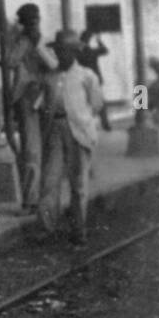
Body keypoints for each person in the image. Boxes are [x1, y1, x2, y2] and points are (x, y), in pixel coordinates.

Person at [37, 31, 105, 245]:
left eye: (66, 50)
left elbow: (96, 105)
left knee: (78, 184)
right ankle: (48, 229)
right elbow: (42, 104)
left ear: (75, 51)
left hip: (79, 131)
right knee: (50, 180)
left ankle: (79, 230)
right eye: (58, 51)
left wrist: (81, 120)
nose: (61, 54)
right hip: (55, 129)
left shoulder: (87, 76)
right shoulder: (50, 76)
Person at [5, 3, 57, 213]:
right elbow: (10, 61)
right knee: (31, 151)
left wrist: (38, 46)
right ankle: (30, 200)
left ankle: (43, 198)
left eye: (35, 21)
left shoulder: (45, 41)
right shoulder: (21, 42)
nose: (33, 25)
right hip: (28, 100)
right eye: (29, 22)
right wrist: (26, 42)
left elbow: (54, 65)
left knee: (50, 149)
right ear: (23, 24)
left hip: (49, 97)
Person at [78, 29, 110, 130]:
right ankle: (106, 124)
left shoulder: (79, 53)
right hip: (94, 80)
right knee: (100, 102)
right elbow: (105, 50)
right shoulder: (91, 52)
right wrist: (99, 41)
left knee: (85, 102)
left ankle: (87, 125)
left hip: (84, 81)